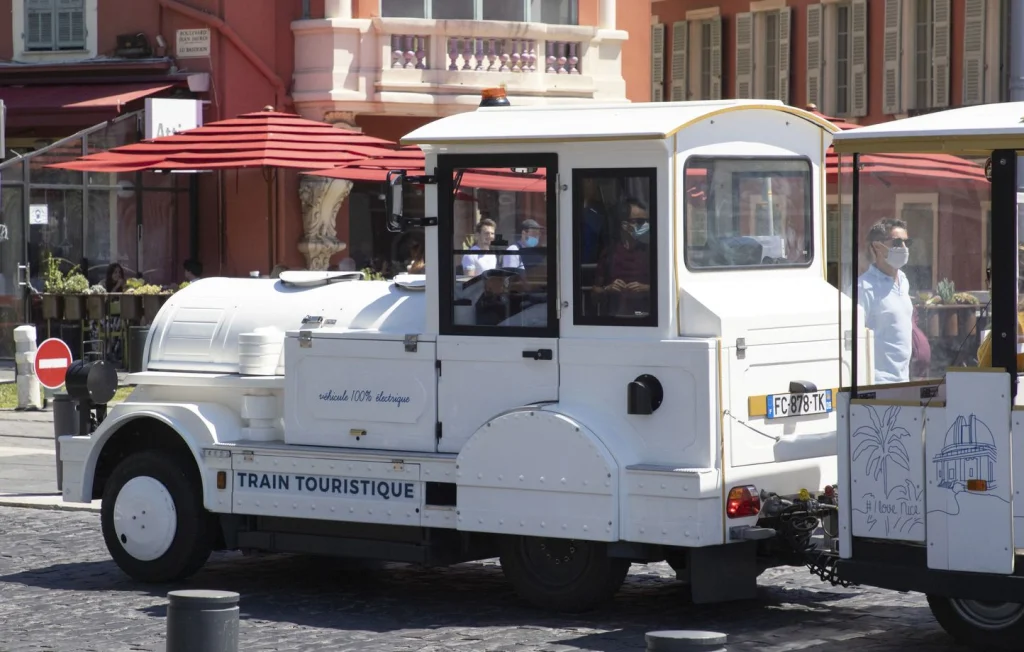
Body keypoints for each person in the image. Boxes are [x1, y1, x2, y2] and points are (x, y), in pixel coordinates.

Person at [858, 217, 913, 384]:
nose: (903, 248)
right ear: (877, 246)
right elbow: (855, 338)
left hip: (904, 380)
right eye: (896, 242)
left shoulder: (903, 281)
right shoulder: (864, 287)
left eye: (906, 242)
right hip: (878, 383)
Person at [592, 197, 652, 318]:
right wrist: (607, 289)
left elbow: (667, 290)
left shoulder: (652, 253)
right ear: (625, 225)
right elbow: (594, 294)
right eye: (640, 221)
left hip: (647, 318)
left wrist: (646, 288)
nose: (646, 225)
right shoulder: (609, 253)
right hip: (615, 318)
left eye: (647, 221)